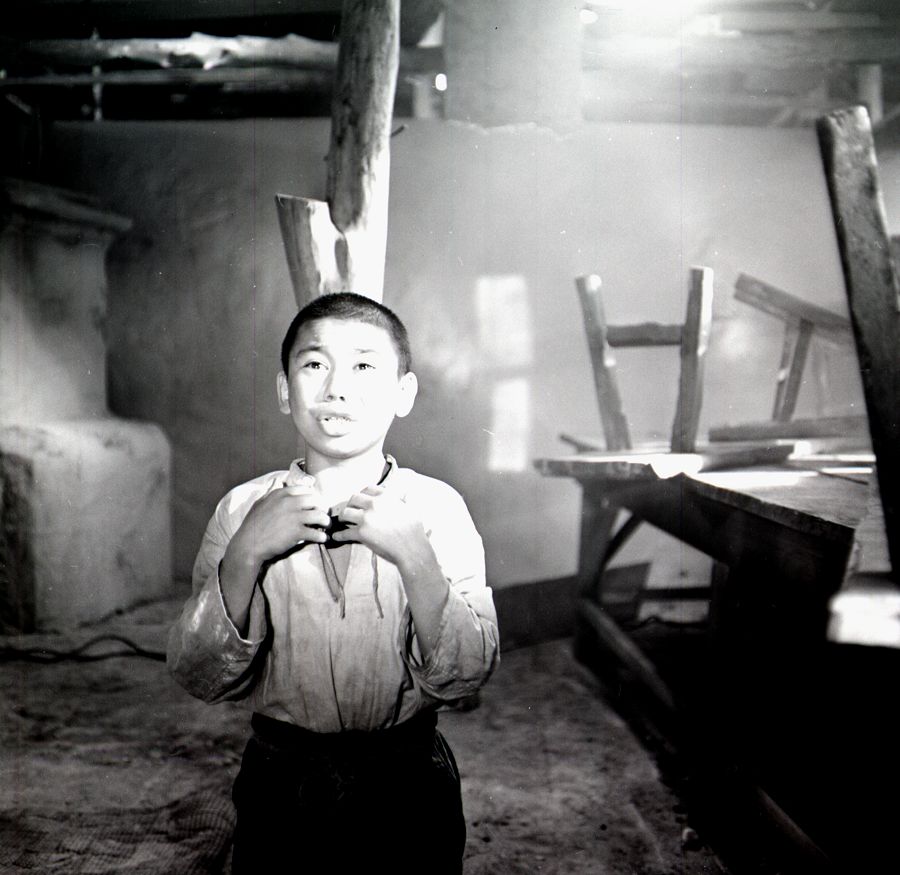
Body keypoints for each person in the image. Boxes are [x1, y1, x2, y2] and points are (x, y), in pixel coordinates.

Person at [167, 292, 499, 874]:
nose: (337, 388)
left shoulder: (437, 510)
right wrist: (245, 553)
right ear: (283, 390)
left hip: (409, 783)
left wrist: (415, 557)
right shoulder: (242, 509)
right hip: (280, 783)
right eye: (315, 363)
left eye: (365, 365)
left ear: (404, 394)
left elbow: (467, 675)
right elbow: (198, 674)